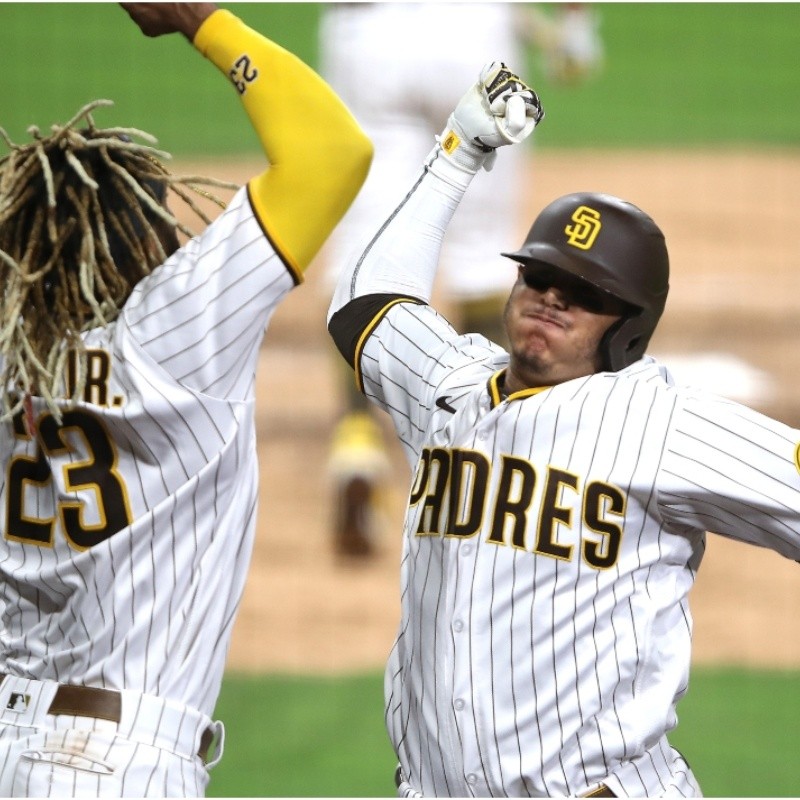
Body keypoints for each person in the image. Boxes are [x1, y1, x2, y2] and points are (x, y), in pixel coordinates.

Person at [328, 61, 800, 797]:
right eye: (538, 277)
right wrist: (459, 151)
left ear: (628, 327)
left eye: (582, 293)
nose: (551, 298)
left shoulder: (657, 423)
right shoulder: (445, 386)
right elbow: (365, 304)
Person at [0, 3, 371, 797]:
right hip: (117, 762)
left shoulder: (10, 359)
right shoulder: (172, 331)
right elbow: (333, 152)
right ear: (135, 244)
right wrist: (200, 17)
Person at [319, 2, 604, 558]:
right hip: (472, 35)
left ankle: (355, 445)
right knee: (480, 259)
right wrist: (576, 25)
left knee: (366, 248)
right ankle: (489, 456)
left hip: (368, 41)